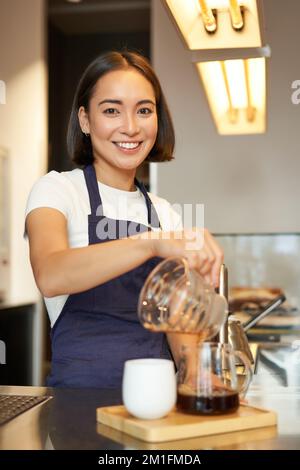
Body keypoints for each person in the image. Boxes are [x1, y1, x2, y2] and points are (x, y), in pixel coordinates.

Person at [25, 50, 223, 388]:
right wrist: (151, 243)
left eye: (144, 110)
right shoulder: (57, 190)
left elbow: (176, 323)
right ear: (85, 120)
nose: (130, 127)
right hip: (77, 413)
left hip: (155, 407)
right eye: (112, 110)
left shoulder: (164, 213)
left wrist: (196, 375)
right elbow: (51, 273)